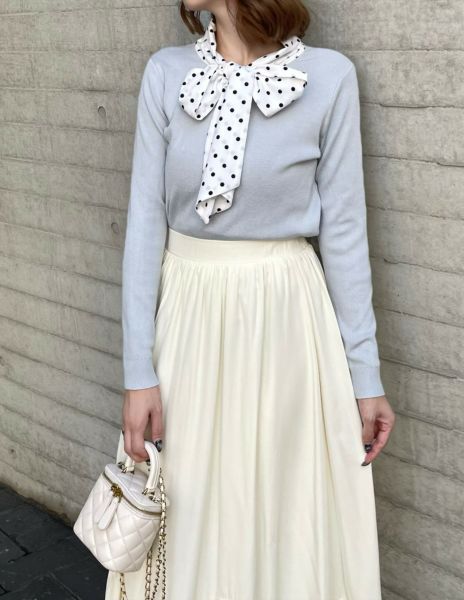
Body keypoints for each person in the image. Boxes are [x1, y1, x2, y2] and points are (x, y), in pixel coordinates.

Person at [105, 1, 396, 598]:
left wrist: (365, 377)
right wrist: (138, 372)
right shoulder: (166, 74)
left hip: (289, 327)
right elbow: (144, 228)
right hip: (188, 321)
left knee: (285, 516)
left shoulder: (329, 78)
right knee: (191, 509)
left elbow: (345, 235)